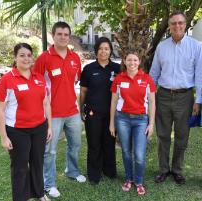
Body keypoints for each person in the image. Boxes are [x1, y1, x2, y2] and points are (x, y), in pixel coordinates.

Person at [33, 21, 86, 198]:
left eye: (66, 34)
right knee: (50, 150)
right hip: (52, 114)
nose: (63, 37)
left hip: (72, 111)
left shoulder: (75, 58)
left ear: (69, 36)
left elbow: (75, 82)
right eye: (59, 34)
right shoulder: (44, 58)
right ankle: (49, 183)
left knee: (75, 144)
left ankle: (72, 171)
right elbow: (36, 85)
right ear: (53, 35)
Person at [150, 11, 202, 185]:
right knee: (163, 135)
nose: (177, 26)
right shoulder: (162, 47)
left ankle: (177, 170)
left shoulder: (196, 46)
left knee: (182, 135)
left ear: (185, 24)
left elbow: (200, 75)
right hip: (163, 96)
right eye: (173, 23)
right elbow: (154, 74)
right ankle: (164, 170)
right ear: (169, 26)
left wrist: (198, 100)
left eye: (180, 23)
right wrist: (148, 97)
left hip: (185, 97)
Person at [0, 43, 52, 201]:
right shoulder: (7, 80)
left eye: (29, 55)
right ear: (15, 58)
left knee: (37, 162)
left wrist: (49, 127)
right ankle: (20, 198)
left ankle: (39, 193)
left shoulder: (39, 78)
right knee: (20, 167)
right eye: (22, 55)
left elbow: (46, 103)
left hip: (39, 128)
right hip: (17, 131)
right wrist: (4, 137)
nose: (26, 58)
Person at [110, 51, 156, 195]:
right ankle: (129, 179)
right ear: (124, 61)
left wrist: (151, 123)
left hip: (141, 120)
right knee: (126, 151)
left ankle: (139, 181)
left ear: (139, 61)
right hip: (122, 119)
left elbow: (153, 102)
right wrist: (111, 123)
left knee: (139, 154)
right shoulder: (119, 79)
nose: (132, 63)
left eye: (135, 60)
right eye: (129, 60)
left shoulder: (147, 79)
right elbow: (113, 101)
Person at [80, 37, 120, 185]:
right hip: (93, 113)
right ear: (96, 51)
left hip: (111, 114)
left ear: (110, 51)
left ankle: (109, 171)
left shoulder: (117, 69)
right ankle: (94, 173)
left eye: (107, 49)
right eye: (101, 49)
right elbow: (83, 91)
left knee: (109, 142)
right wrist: (81, 109)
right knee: (94, 143)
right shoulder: (89, 69)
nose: (104, 51)